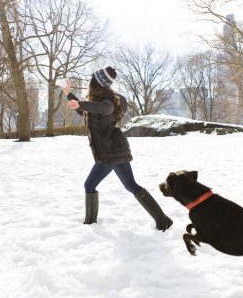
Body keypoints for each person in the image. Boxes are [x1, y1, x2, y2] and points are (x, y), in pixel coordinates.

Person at [62, 66, 173, 231]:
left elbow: (105, 108)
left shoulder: (109, 101)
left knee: (89, 185)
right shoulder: (96, 102)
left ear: (96, 83)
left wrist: (80, 103)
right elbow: (84, 111)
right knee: (131, 186)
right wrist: (68, 93)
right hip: (115, 150)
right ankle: (163, 220)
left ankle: (90, 224)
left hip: (109, 152)